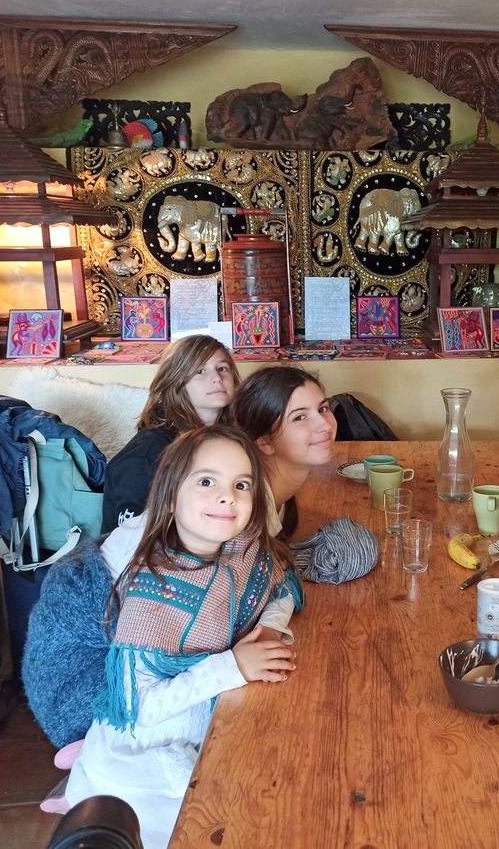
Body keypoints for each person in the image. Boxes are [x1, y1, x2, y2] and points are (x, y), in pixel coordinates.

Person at [65, 425, 301, 849]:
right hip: (146, 753)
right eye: (207, 481)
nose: (227, 497)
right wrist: (233, 665)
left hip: (208, 716)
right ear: (171, 495)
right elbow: (141, 705)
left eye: (241, 484)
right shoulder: (155, 589)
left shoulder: (242, 550)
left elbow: (281, 589)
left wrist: (267, 628)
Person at [101, 335, 240, 532]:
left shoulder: (228, 437)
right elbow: (132, 542)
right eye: (200, 371)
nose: (217, 378)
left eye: (223, 368)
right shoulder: (144, 460)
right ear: (175, 382)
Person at [232, 366, 338, 540]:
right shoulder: (247, 514)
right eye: (299, 417)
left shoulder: (277, 496)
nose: (325, 425)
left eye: (323, 409)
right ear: (265, 441)